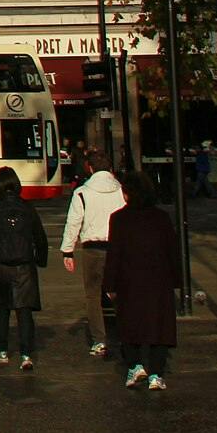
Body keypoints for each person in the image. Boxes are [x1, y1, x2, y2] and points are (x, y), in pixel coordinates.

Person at [104, 171, 181, 391]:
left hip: (129, 280)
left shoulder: (119, 219)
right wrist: (176, 279)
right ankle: (156, 373)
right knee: (159, 327)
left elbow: (114, 254)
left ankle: (135, 365)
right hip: (158, 279)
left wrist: (110, 284)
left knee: (129, 324)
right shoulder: (161, 218)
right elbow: (172, 251)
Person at [0, 166, 47, 370]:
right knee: (24, 311)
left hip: (0, 265)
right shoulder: (28, 208)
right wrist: (41, 259)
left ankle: (2, 349)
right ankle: (26, 353)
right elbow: (40, 237)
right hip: (24, 266)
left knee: (2, 309)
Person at [59, 149, 127, 359]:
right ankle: (127, 334)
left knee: (93, 295)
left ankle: (100, 340)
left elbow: (74, 222)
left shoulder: (82, 192)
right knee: (120, 292)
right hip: (118, 247)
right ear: (110, 168)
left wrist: (67, 251)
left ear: (89, 168)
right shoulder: (121, 190)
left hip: (92, 248)